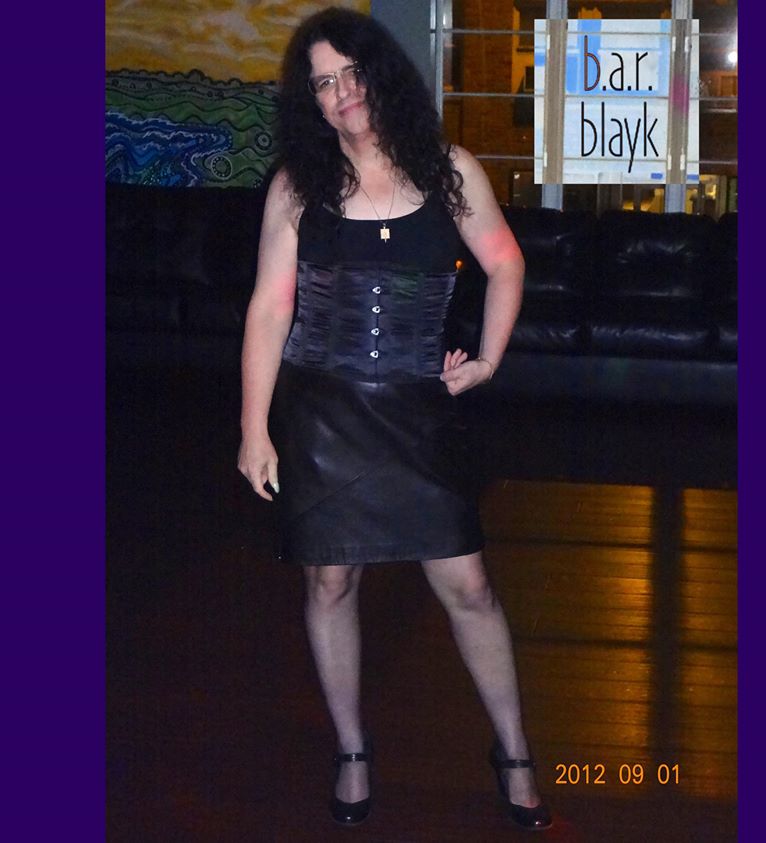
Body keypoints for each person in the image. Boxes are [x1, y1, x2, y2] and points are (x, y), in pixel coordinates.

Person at [237, 7, 552, 832]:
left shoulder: (449, 169)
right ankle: (351, 748)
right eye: (322, 82)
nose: (341, 92)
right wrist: (253, 429)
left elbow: (505, 263)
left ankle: (514, 748)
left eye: (351, 72)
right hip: (322, 415)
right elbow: (270, 310)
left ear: (381, 74)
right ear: (310, 101)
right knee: (329, 580)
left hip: (418, 415)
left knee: (469, 586)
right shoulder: (296, 186)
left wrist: (486, 361)